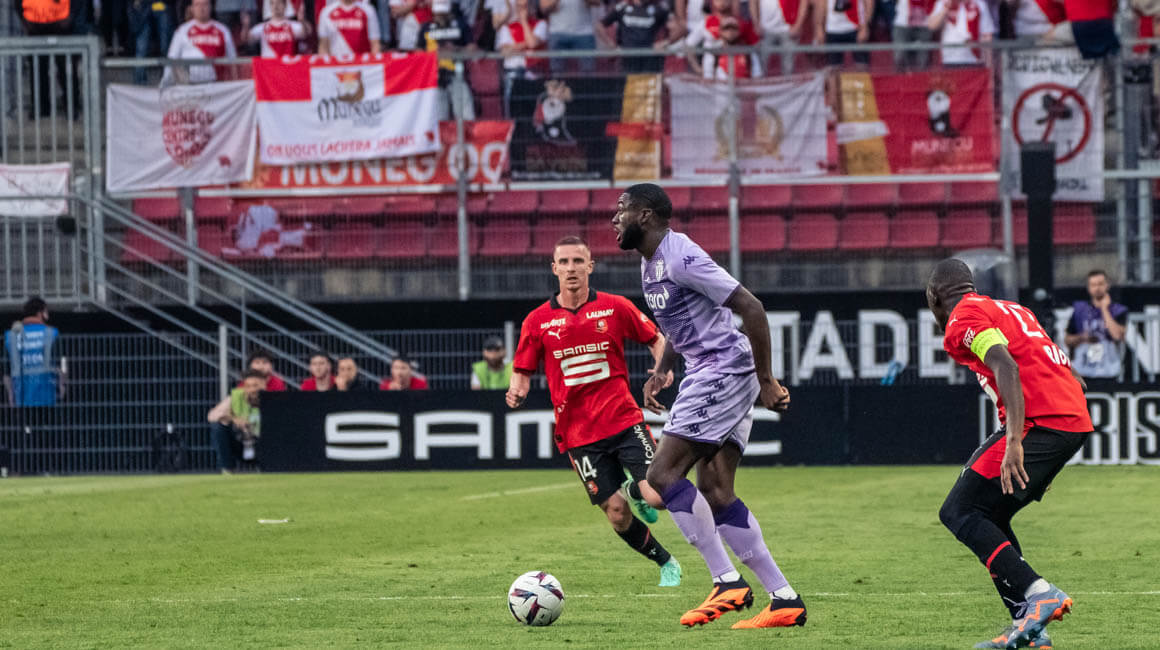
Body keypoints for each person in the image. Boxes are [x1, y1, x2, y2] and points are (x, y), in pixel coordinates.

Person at [612, 184, 804, 629]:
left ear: (645, 215)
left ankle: (726, 581)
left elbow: (751, 307)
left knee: (661, 475)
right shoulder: (650, 262)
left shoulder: (681, 256)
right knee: (716, 491)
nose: (614, 219)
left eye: (621, 210)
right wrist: (662, 369)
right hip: (714, 370)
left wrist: (767, 380)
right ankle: (784, 599)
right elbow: (677, 324)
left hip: (722, 370)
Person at [926, 258, 1092, 649]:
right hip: (1067, 420)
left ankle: (1039, 594)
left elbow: (1006, 365)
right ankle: (1030, 630)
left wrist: (1017, 441)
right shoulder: (1014, 310)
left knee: (958, 511)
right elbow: (1074, 377)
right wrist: (1044, 458)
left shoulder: (963, 318)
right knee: (992, 516)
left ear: (935, 296)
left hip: (1040, 423)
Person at [506, 235, 683, 589]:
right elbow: (522, 371)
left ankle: (637, 491)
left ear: (590, 266)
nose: (571, 268)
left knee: (658, 496)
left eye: (578, 261)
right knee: (616, 513)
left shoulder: (615, 307)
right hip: (578, 435)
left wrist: (662, 369)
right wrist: (517, 391)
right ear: (554, 269)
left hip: (623, 420)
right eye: (564, 262)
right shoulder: (537, 321)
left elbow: (655, 338)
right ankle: (665, 561)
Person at [417, 0, 477, 120]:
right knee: (438, 117)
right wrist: (432, 54)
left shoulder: (460, 24)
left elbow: (473, 47)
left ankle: (465, 132)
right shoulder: (426, 28)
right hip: (434, 78)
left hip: (457, 75)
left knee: (466, 115)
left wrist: (456, 49)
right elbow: (418, 52)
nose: (440, 17)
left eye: (443, 14)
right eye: (438, 14)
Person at [1064, 269, 1128, 380]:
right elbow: (1067, 339)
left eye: (1100, 284)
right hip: (1083, 367)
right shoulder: (1080, 310)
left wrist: (1104, 309)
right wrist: (1082, 337)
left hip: (1109, 369)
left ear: (1107, 285)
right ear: (1088, 288)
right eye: (1093, 285)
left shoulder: (1118, 310)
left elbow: (1117, 335)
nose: (1097, 288)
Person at [3, 297, 65, 407]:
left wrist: (11, 393)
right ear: (40, 313)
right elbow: (62, 364)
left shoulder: (10, 336)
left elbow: (6, 371)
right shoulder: (52, 333)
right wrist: (62, 385)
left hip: (21, 396)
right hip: (47, 394)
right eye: (46, 312)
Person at [162, 0, 236, 85]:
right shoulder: (182, 31)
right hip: (189, 85)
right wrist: (165, 81)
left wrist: (234, 82)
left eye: (205, 4)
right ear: (192, 8)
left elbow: (233, 59)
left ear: (211, 7)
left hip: (216, 85)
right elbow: (172, 58)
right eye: (197, 5)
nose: (201, 8)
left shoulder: (223, 30)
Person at [207, 369, 266, 473]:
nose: (252, 390)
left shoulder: (273, 398)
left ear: (264, 385)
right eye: (248, 386)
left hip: (265, 446)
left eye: (256, 385)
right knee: (218, 427)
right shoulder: (236, 396)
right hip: (243, 444)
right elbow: (212, 416)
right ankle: (228, 469)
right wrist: (234, 419)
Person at [495, 0, 547, 115]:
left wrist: (523, 22)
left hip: (533, 74)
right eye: (519, 7)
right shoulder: (507, 28)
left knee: (534, 112)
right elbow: (505, 52)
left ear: (531, 7)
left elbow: (532, 43)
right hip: (513, 74)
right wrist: (525, 44)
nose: (522, 10)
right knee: (513, 111)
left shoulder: (541, 24)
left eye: (525, 7)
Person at [599, 0, 675, 73]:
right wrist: (611, 45)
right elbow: (600, 26)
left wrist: (665, 42)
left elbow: (677, 27)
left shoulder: (658, 8)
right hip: (627, 60)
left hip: (650, 60)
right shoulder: (622, 7)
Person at [538, 0, 599, 73]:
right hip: (557, 33)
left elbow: (597, 2)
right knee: (557, 72)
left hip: (584, 33)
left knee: (588, 71)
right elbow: (543, 8)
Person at [927, 0, 994, 66]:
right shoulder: (943, 3)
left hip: (974, 59)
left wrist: (989, 64)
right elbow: (931, 26)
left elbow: (987, 35)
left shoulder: (979, 4)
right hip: (949, 59)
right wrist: (945, 9)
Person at [128, 0, 175, 84]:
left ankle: (167, 77)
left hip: (159, 3)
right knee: (142, 46)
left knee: (165, 43)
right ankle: (139, 82)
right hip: (143, 5)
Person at [317, 0, 383, 56]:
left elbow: (375, 43)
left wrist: (373, 64)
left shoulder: (368, 10)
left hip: (362, 64)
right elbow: (323, 45)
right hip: (336, 64)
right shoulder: (326, 12)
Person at [815, 0, 870, 66]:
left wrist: (865, 27)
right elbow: (820, 5)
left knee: (861, 65)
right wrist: (819, 28)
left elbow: (869, 2)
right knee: (834, 67)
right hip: (833, 30)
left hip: (856, 28)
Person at [891, 0, 933, 69]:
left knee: (923, 60)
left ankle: (921, 74)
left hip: (924, 24)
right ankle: (900, 75)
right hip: (902, 24)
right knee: (900, 56)